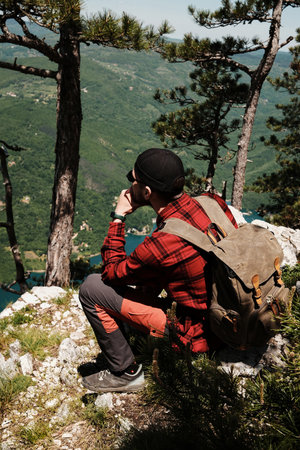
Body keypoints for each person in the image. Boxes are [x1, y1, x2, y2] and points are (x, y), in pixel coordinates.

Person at [79, 148, 237, 393]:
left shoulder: (163, 243)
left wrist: (119, 217)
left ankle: (125, 372)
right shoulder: (211, 203)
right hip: (229, 311)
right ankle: (137, 335)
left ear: (147, 192)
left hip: (199, 333)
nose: (130, 186)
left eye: (134, 181)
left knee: (91, 288)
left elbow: (110, 272)